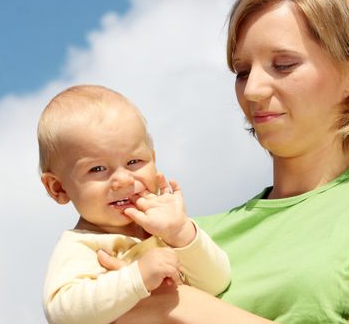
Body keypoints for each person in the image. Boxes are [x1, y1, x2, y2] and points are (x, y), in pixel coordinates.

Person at [100, 0, 349, 323]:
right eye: (242, 71)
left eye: (284, 65)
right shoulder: (187, 237)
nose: (253, 90)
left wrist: (176, 304)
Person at [38, 85, 231, 324]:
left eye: (134, 161)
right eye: (97, 169)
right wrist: (137, 277)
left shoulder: (167, 231)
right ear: (58, 188)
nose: (123, 180)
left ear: (154, 159)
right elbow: (62, 312)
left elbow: (217, 281)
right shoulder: (82, 246)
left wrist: (181, 233)